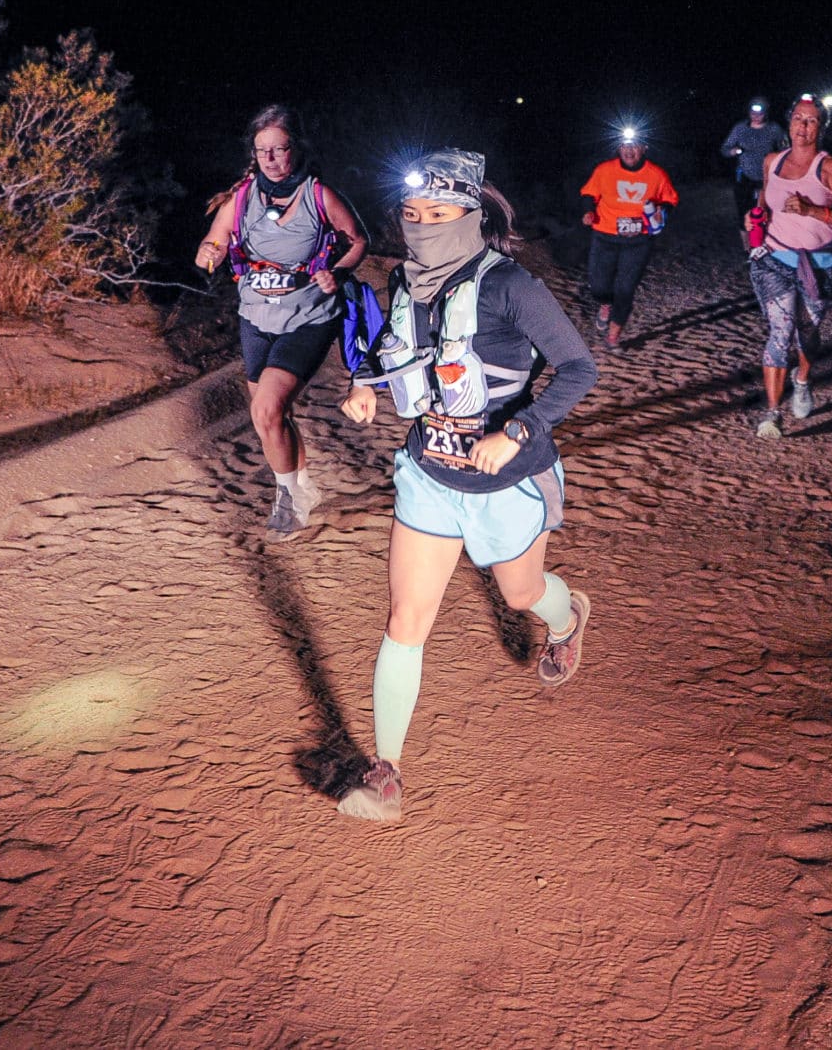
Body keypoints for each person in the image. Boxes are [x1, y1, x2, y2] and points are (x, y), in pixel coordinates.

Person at [335, 149, 599, 823]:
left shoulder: (512, 287)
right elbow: (394, 349)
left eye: (439, 213)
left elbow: (578, 368)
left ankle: (568, 619)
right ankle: (386, 772)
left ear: (473, 215)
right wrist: (365, 385)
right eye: (412, 214)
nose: (423, 226)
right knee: (405, 618)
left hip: (506, 479)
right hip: (428, 473)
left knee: (521, 593)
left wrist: (518, 430)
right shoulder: (405, 281)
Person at [195, 104, 368, 538]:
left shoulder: (318, 194)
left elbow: (357, 240)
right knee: (272, 417)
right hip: (255, 316)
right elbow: (212, 244)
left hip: (308, 316)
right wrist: (209, 253)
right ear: (253, 153)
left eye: (280, 149)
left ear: (296, 148)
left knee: (266, 408)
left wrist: (337, 271)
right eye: (262, 151)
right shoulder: (241, 198)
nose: (270, 159)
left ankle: (288, 500)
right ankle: (303, 487)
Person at [747, 95, 832, 438]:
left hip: (819, 265)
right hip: (775, 260)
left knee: (806, 333)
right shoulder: (772, 161)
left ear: (820, 128)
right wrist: (755, 221)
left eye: (811, 121)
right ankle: (772, 413)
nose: (803, 126)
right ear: (789, 121)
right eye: (798, 118)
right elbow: (764, 201)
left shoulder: (829, 167)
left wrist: (812, 211)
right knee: (780, 333)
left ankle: (803, 380)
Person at [578, 129, 679, 350]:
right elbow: (588, 193)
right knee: (598, 285)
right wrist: (588, 211)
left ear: (644, 149)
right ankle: (605, 304)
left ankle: (614, 335)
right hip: (605, 235)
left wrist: (662, 211)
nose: (629, 151)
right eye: (625, 146)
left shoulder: (656, 174)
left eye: (634, 146)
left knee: (626, 288)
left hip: (638, 240)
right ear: (619, 148)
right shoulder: (605, 170)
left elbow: (670, 199)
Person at [719, 97, 783, 229]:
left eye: (760, 114)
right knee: (744, 213)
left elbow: (785, 149)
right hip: (744, 177)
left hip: (767, 178)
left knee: (764, 213)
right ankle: (746, 241)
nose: (756, 117)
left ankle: (765, 238)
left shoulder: (774, 129)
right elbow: (725, 149)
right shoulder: (740, 128)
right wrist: (733, 151)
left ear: (766, 113)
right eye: (753, 113)